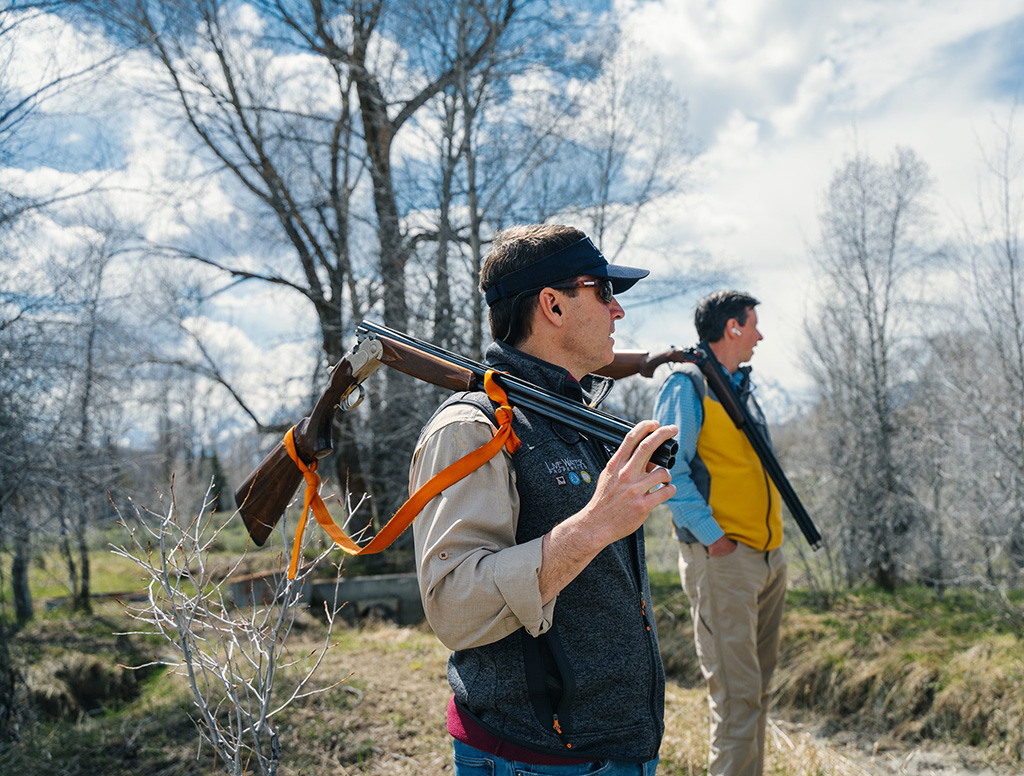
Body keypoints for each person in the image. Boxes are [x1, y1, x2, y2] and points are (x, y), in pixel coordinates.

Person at [410, 224, 678, 775]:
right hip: (533, 761)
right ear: (552, 305)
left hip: (619, 751)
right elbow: (455, 606)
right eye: (604, 291)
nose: (617, 311)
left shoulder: (578, 420)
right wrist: (593, 526)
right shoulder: (472, 427)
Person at [651, 290, 787, 776]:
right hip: (726, 560)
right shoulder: (687, 386)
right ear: (732, 327)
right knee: (735, 701)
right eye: (753, 325)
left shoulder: (737, 386)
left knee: (756, 693)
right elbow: (668, 471)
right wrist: (714, 537)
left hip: (767, 558)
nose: (759, 336)